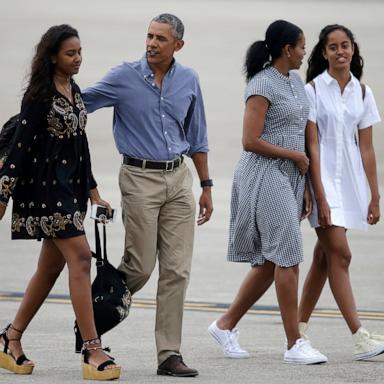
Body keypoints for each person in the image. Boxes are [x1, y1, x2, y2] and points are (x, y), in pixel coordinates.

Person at [82, 13, 213, 377]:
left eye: (161, 39)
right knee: (139, 266)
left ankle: (169, 354)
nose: (152, 43)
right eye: (150, 36)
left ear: (178, 46)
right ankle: (92, 323)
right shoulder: (124, 76)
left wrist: (205, 185)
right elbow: (81, 103)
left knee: (176, 271)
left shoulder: (188, 79)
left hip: (178, 180)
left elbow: (197, 135)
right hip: (139, 177)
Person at [0, 25, 121, 380]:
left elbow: (79, 146)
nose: (78, 58)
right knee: (81, 259)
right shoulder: (38, 96)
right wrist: (3, 194)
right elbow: (19, 147)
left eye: (80, 52)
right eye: (71, 53)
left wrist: (94, 191)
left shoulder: (75, 91)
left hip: (71, 191)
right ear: (52, 56)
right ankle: (92, 349)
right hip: (45, 192)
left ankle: (10, 339)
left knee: (51, 268)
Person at [207, 20, 327, 365]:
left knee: (271, 259)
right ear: (287, 49)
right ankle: (294, 344)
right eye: (302, 46)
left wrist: (303, 183)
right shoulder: (261, 84)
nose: (305, 52)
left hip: (290, 176)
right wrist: (294, 156)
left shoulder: (296, 83)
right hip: (264, 172)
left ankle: (225, 325)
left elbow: (299, 135)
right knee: (288, 253)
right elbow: (250, 140)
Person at [298, 24, 384, 360]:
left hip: (350, 185)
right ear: (323, 53)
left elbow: (366, 149)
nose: (340, 52)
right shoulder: (313, 91)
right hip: (322, 182)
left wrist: (374, 194)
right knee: (341, 255)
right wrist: (318, 193)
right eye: (332, 47)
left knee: (324, 257)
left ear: (353, 49)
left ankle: (297, 330)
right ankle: (359, 336)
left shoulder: (363, 93)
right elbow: (312, 145)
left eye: (345, 45)